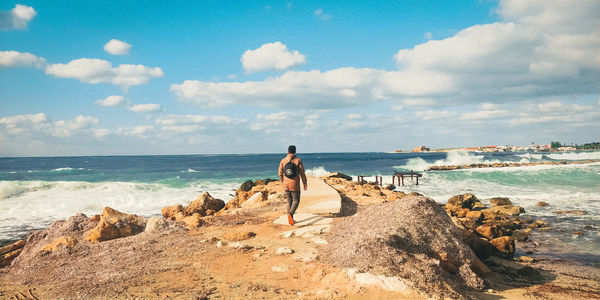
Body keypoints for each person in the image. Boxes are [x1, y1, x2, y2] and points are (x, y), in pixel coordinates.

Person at [278, 145, 307, 226]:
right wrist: (305, 183)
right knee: (296, 200)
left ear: (288, 151)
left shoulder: (283, 160)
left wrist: (282, 181)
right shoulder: (298, 160)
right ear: (295, 152)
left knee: (289, 200)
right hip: (295, 184)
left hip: (286, 184)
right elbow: (302, 173)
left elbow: (279, 173)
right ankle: (290, 215)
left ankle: (290, 218)